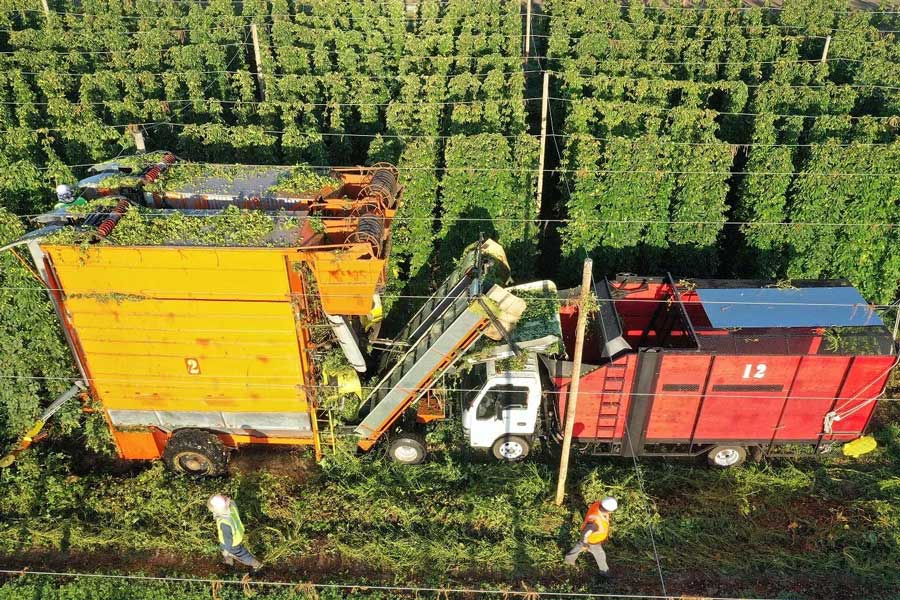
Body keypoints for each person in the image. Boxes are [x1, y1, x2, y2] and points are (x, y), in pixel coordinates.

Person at [564, 496, 617, 577]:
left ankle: (568, 560)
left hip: (591, 538)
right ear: (608, 510)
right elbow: (585, 534)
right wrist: (585, 544)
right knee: (600, 555)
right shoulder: (594, 523)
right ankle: (604, 572)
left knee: (579, 546)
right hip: (593, 541)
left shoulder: (598, 504)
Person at [208, 494, 263, 570]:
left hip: (233, 542)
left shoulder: (224, 522)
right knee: (225, 551)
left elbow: (228, 540)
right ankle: (229, 561)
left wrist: (226, 551)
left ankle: (256, 564)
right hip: (238, 532)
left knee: (241, 554)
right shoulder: (231, 504)